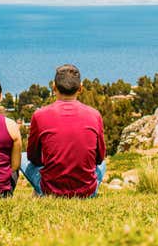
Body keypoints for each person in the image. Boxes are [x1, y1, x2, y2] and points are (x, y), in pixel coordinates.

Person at [21, 64, 107, 197]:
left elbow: (33, 157)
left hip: (50, 190)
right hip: (87, 191)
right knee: (103, 165)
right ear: (80, 88)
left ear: (54, 87)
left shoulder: (39, 115)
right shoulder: (94, 115)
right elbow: (100, 158)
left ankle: (38, 193)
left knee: (22, 156)